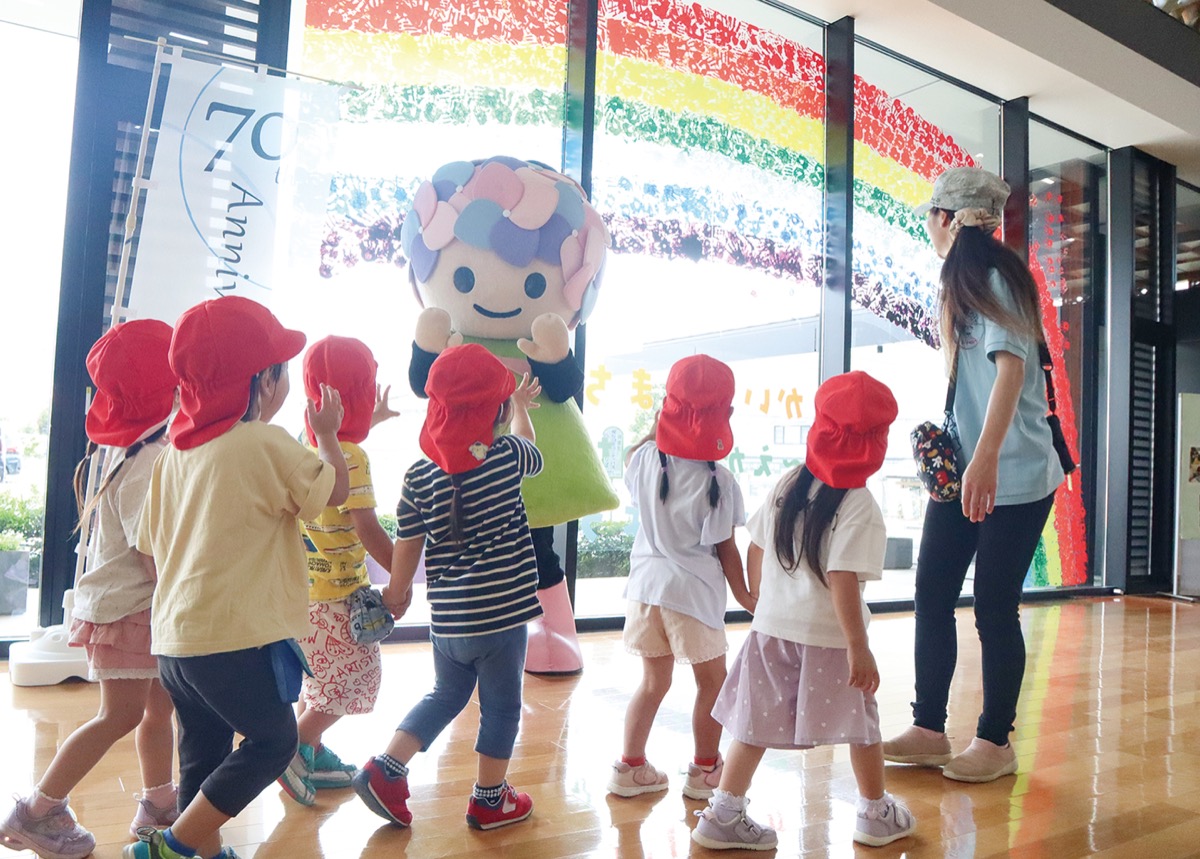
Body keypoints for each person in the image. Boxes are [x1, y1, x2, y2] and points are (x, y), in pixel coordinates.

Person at [131, 296, 350, 859]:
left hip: (175, 642)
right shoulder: (263, 443)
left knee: (202, 753)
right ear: (262, 381)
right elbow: (334, 494)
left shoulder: (173, 457)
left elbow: (150, 551)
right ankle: (172, 847)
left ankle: (202, 852)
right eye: (280, 372)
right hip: (233, 641)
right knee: (274, 741)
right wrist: (328, 434)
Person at [883, 167, 1064, 783]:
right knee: (932, 591)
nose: (928, 227)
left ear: (948, 219)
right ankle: (929, 728)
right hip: (966, 469)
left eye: (931, 216)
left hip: (1015, 472)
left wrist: (984, 459)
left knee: (993, 606)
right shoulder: (962, 282)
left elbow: (1011, 372)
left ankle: (995, 741)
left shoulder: (998, 280)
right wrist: (970, 461)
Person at [692, 371, 916, 851]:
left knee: (753, 726)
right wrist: (859, 647)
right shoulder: (859, 504)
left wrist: (758, 597)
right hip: (830, 641)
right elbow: (843, 578)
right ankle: (875, 814)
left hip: (771, 632)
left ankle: (722, 814)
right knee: (862, 726)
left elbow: (756, 543)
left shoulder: (791, 482)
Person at [0, 321, 179, 859]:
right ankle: (37, 810)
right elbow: (151, 553)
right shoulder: (150, 461)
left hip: (140, 610)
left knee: (158, 710)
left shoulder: (135, 449)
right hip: (130, 611)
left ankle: (159, 803)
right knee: (119, 715)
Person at [353, 343, 544, 831]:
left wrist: (395, 596)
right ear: (497, 412)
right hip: (500, 621)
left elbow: (406, 546)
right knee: (501, 708)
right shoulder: (507, 457)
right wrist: (520, 409)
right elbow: (530, 445)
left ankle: (386, 768)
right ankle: (490, 799)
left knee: (445, 694)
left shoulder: (418, 476)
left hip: (449, 623)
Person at [606, 354, 754, 801]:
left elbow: (641, 461)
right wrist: (747, 596)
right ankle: (705, 770)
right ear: (726, 414)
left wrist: (659, 426)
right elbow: (727, 550)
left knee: (653, 683)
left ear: (666, 407)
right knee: (712, 684)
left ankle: (630, 767)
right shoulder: (718, 481)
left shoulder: (643, 460)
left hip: (645, 590)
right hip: (693, 597)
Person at [277, 336, 399, 803]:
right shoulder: (352, 457)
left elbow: (333, 445)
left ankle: (308, 752)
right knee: (352, 678)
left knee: (318, 679)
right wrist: (401, 575)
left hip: (303, 595)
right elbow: (367, 528)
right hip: (338, 596)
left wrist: (370, 421)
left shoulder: (302, 445)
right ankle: (291, 749)